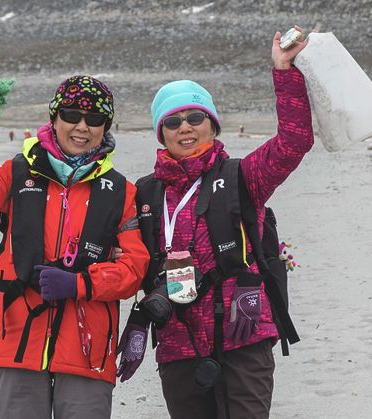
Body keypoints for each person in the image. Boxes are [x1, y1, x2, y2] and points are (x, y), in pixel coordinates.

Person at [116, 27, 314, 419]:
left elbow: (295, 141)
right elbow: (124, 257)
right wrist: (138, 322)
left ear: (212, 124)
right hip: (177, 342)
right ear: (161, 133)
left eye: (194, 117)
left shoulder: (243, 176)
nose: (185, 128)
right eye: (172, 122)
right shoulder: (145, 194)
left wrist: (283, 71)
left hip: (244, 334)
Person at [0, 75, 149, 419]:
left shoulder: (121, 192)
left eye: (94, 119)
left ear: (105, 126)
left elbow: (135, 270)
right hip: (16, 345)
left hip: (86, 353)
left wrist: (78, 284)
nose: (82, 127)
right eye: (71, 115)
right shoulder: (17, 174)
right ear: (54, 117)